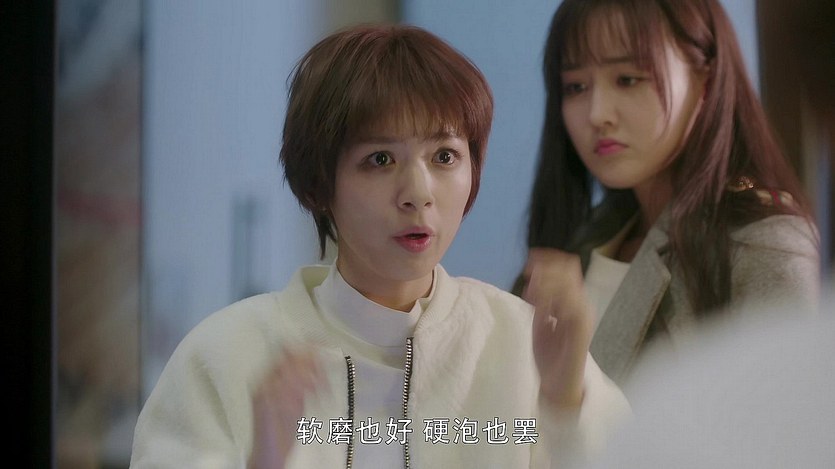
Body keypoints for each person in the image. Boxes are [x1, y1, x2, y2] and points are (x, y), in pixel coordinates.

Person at [130, 24, 628, 469]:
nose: (418, 193)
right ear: (318, 184)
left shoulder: (518, 345)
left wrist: (564, 404)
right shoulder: (226, 357)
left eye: (444, 156)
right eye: (381, 159)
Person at [515, 0, 820, 387]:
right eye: (576, 86)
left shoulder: (762, 247)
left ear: (705, 80)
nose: (597, 114)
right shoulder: (582, 241)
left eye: (627, 79)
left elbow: (791, 415)